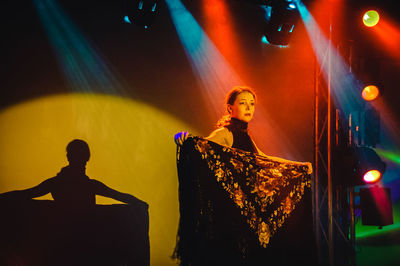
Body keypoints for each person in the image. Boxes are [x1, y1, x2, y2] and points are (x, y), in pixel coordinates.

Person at [175, 85, 312, 172]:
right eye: (242, 103)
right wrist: (182, 138)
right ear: (230, 108)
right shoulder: (226, 132)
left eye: (252, 104)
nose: (249, 108)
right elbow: (199, 147)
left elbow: (266, 159)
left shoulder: (245, 136)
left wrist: (299, 165)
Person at [0, 139, 147, 208]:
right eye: (82, 157)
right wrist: (141, 205)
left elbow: (25, 194)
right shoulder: (90, 186)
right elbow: (118, 195)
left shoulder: (55, 183)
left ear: (68, 157)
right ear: (87, 158)